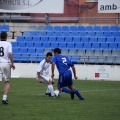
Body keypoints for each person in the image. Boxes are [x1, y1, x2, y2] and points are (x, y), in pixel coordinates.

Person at [0, 32, 15, 104]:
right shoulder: (8, 44)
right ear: (6, 37)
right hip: (6, 63)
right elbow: (10, 54)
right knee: (7, 81)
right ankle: (4, 98)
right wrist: (12, 63)